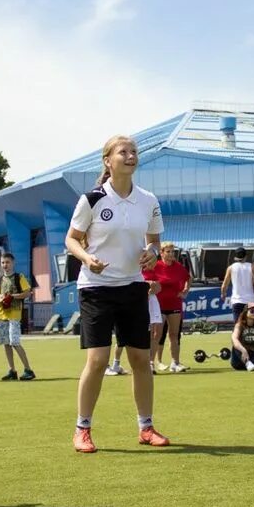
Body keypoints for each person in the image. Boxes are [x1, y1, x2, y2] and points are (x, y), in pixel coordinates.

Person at [65, 135, 169, 453]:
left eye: (134, 151)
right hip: (95, 288)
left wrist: (153, 253)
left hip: (133, 286)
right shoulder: (92, 199)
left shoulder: (148, 200)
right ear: (108, 161)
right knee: (97, 360)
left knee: (140, 359)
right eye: (123, 151)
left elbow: (154, 241)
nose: (130, 155)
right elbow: (71, 240)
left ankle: (146, 427)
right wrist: (86, 258)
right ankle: (82, 429)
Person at [148, 242, 191, 372]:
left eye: (173, 251)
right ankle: (150, 363)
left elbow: (189, 278)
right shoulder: (155, 266)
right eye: (168, 251)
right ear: (161, 253)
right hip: (158, 306)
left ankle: (175, 363)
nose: (171, 254)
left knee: (174, 334)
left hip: (175, 305)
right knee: (157, 334)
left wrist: (185, 291)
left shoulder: (178, 267)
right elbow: (147, 280)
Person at [0, 253, 35, 381]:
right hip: (1, 315)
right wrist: (1, 299)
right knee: (6, 343)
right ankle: (12, 370)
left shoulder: (19, 277)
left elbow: (27, 293)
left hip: (14, 315)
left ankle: (28, 369)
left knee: (15, 342)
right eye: (3, 262)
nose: (5, 265)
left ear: (13, 263)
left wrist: (12, 296)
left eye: (8, 262)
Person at [220, 247, 254, 322]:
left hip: (237, 300)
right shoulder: (252, 267)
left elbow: (224, 284)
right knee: (251, 324)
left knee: (238, 325)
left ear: (235, 257)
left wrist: (223, 294)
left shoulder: (231, 268)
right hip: (250, 300)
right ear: (246, 256)